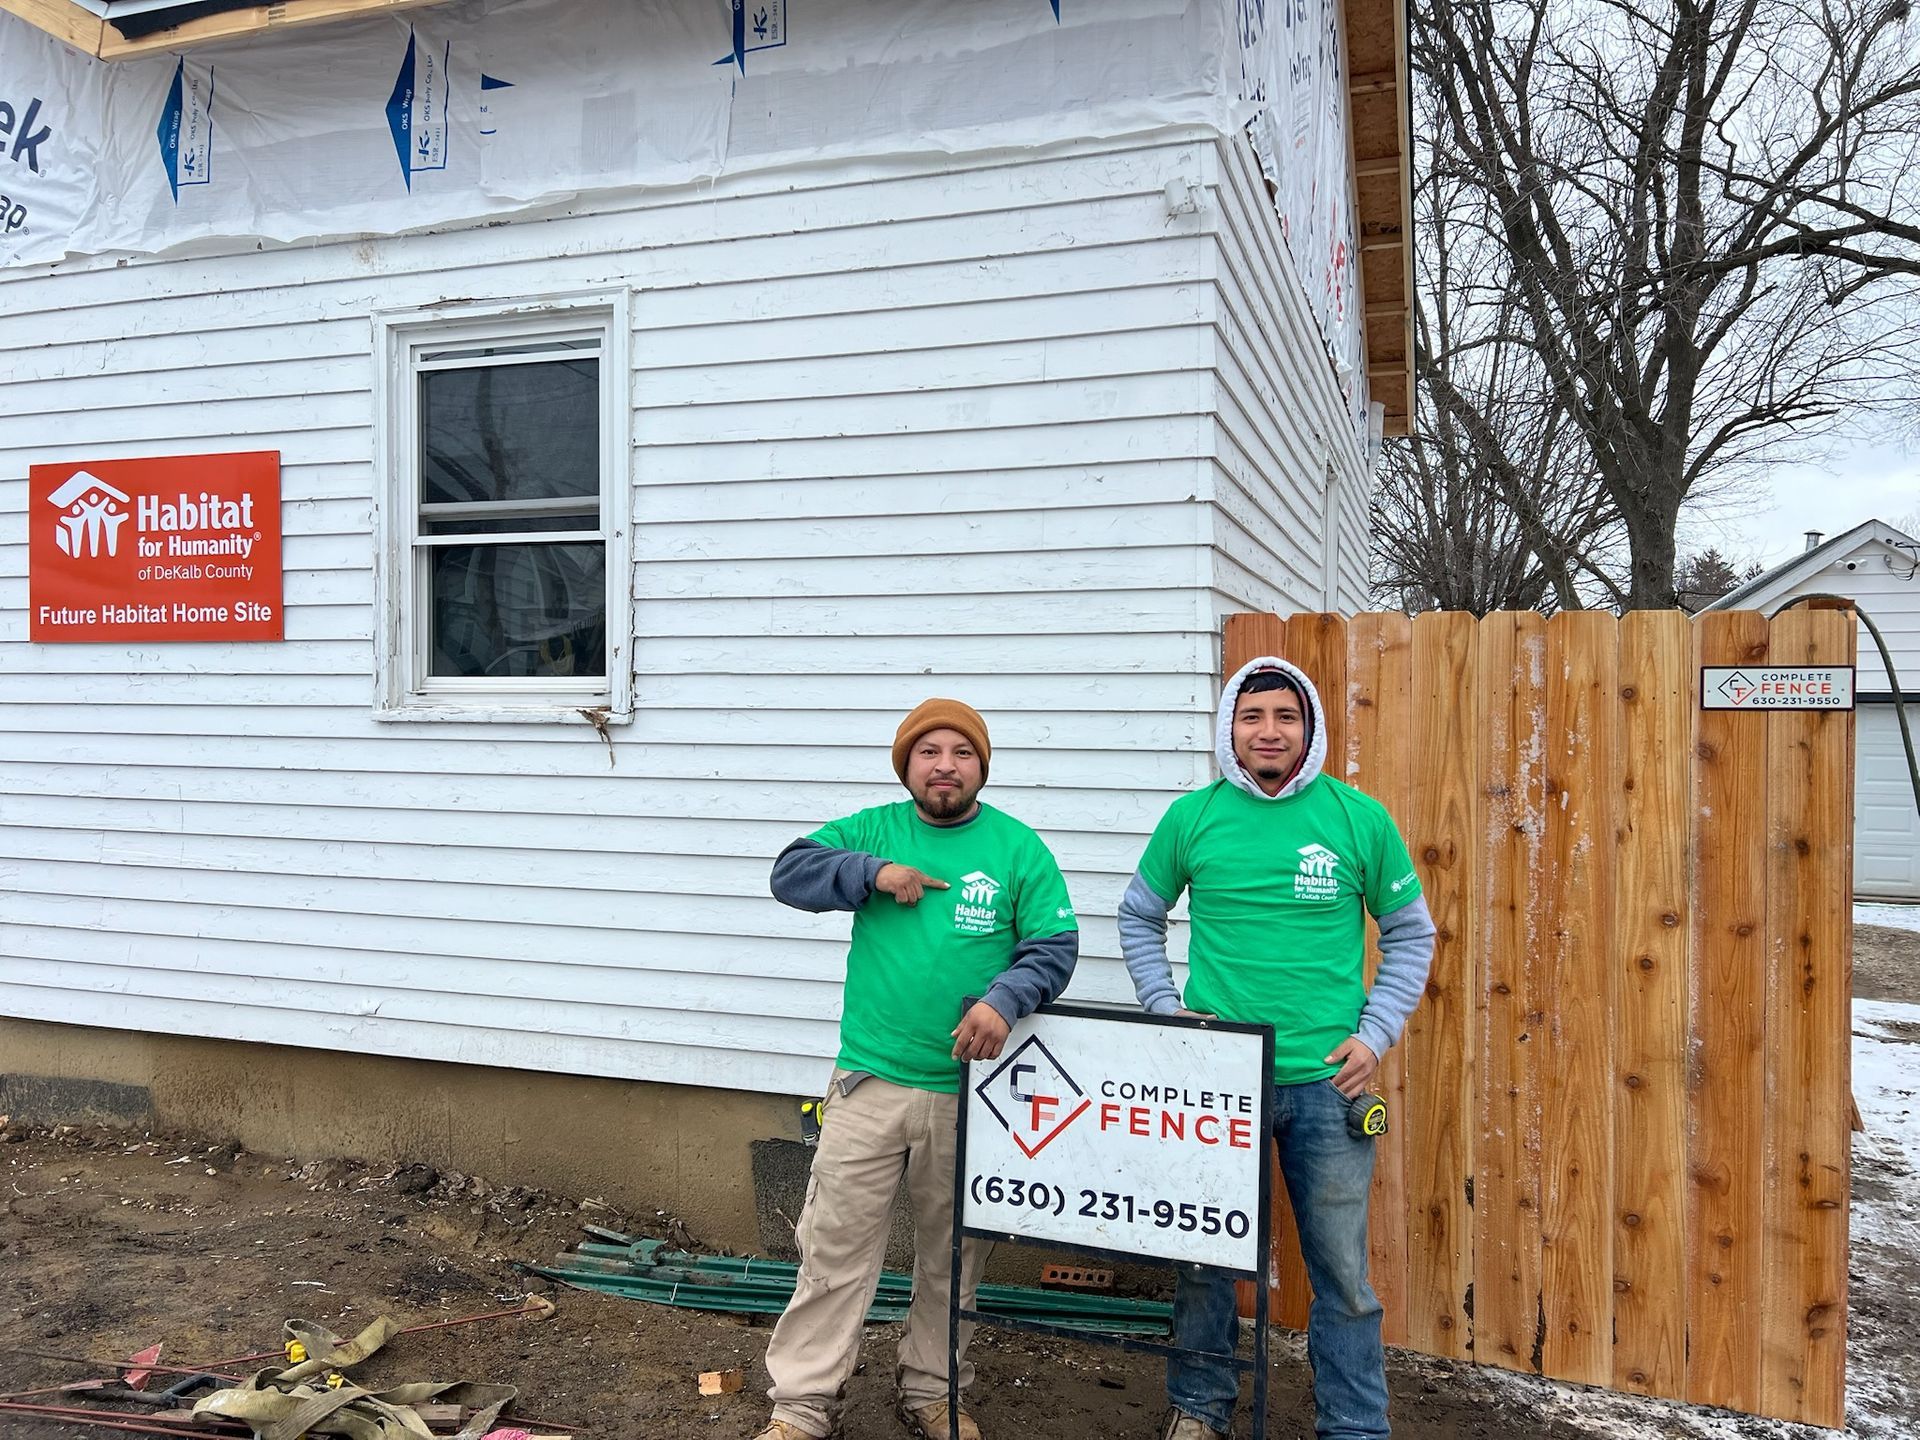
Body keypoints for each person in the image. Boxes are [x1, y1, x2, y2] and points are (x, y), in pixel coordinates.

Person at [1119, 656, 1436, 1440]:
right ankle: (1200, 1410)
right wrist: (1166, 1011)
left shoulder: (1358, 820)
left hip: (1329, 1086)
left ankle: (1356, 1426)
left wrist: (1376, 1032)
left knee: (1343, 1279)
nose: (1269, 732)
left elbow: (1410, 935)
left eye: (1285, 718)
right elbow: (1138, 917)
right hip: (1219, 1080)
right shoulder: (1192, 819)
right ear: (1231, 727)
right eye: (1253, 716)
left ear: (1310, 729)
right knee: (1204, 1263)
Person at [753, 698, 1080, 1440]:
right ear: (907, 765)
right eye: (928, 752)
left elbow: (1054, 947)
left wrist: (1005, 1000)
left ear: (980, 768)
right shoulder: (873, 830)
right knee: (833, 1249)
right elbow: (790, 872)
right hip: (868, 1081)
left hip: (968, 1094)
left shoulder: (1017, 849)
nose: (945, 766)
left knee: (953, 1259)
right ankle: (802, 1405)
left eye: (961, 754)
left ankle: (934, 1394)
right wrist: (873, 873)